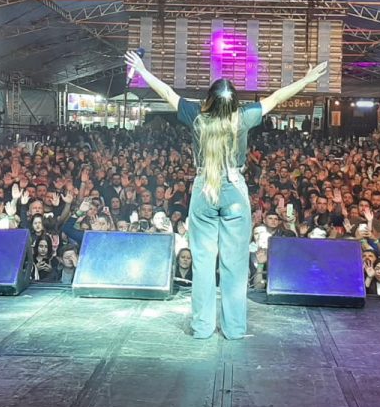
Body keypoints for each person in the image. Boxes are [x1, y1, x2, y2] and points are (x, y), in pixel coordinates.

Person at [124, 50, 326, 339]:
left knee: (203, 263)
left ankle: (202, 327)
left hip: (204, 190)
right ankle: (234, 328)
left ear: (209, 99)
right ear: (235, 102)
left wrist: (143, 70)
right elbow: (278, 97)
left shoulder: (196, 115)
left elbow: (167, 92)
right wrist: (306, 80)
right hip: (234, 191)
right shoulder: (243, 117)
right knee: (235, 264)